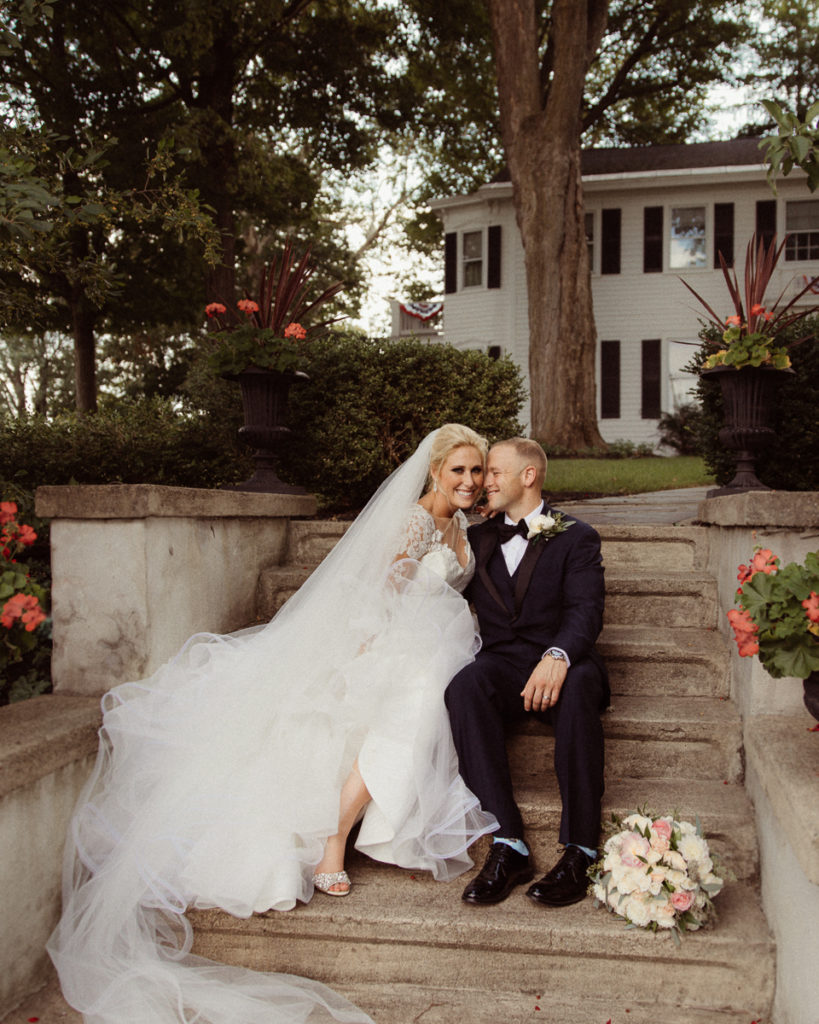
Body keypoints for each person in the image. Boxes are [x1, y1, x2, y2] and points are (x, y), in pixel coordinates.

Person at [48, 424, 498, 1024]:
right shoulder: (414, 521)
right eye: (457, 471)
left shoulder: (463, 526)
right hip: (392, 636)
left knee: (429, 698)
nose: (467, 482)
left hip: (439, 641)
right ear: (434, 471)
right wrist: (372, 653)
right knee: (416, 701)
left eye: (476, 472)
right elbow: (381, 589)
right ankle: (332, 837)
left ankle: (337, 828)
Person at [445, 437, 609, 908]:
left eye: (493, 472)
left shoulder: (576, 535)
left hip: (563, 662)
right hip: (502, 664)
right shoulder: (476, 538)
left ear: (528, 476)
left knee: (578, 688)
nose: (483, 481)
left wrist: (558, 655)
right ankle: (508, 843)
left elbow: (586, 611)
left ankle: (580, 849)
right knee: (464, 687)